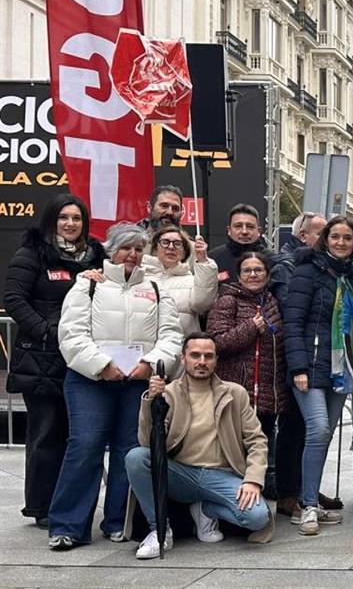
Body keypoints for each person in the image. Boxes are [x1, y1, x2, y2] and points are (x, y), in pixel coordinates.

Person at [49, 223, 184, 550]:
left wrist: (150, 363)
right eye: (125, 248)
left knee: (129, 452)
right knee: (85, 446)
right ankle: (67, 525)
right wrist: (101, 365)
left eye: (138, 249)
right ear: (111, 251)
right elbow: (71, 334)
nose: (132, 255)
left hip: (135, 381)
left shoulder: (155, 288)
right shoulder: (87, 286)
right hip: (90, 381)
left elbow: (171, 335)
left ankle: (117, 524)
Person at [3, 194, 106, 528]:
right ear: (51, 220)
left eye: (77, 218)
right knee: (46, 435)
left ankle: (71, 505)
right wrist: (48, 331)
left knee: (78, 437)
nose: (70, 224)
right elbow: (14, 300)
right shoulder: (31, 254)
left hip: (82, 359)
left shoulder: (96, 256)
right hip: (41, 358)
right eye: (64, 217)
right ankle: (41, 507)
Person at [125, 333, 272, 559]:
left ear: (216, 360)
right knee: (136, 457)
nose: (202, 361)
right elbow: (148, 444)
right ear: (183, 359)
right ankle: (159, 531)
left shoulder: (235, 393)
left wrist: (253, 479)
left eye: (208, 356)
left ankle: (205, 509)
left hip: (221, 475)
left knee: (257, 517)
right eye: (195, 355)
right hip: (181, 473)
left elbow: (257, 440)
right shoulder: (169, 393)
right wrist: (151, 402)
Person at [282, 215, 353, 536]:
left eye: (348, 238)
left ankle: (311, 502)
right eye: (335, 237)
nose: (341, 243)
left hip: (342, 366)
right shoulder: (307, 271)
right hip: (311, 365)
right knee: (317, 429)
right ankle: (306, 505)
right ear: (325, 239)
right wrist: (298, 368)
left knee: (327, 433)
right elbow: (293, 322)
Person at [207, 251, 289, 499]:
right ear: (238, 275)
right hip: (237, 393)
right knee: (235, 451)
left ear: (267, 274)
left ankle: (262, 495)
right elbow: (216, 343)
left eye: (258, 270)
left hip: (267, 393)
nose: (253, 275)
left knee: (264, 446)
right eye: (247, 270)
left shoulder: (273, 302)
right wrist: (250, 328)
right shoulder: (227, 300)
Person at [266, 210, 330, 518]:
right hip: (294, 355)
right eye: (321, 232)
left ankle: (308, 489)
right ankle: (289, 492)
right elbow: (293, 309)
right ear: (303, 235)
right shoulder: (289, 265)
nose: (328, 237)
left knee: (309, 428)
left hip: (315, 354)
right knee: (294, 426)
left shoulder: (321, 265)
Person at [141, 226, 219, 335]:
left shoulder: (191, 281)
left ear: (184, 253)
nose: (171, 247)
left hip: (181, 347)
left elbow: (203, 305)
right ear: (155, 249)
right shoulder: (140, 277)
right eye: (165, 242)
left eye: (177, 243)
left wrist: (203, 262)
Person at [270, 211, 326, 307]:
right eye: (322, 234)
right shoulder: (285, 267)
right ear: (303, 236)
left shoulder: (320, 262)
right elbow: (289, 306)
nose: (327, 240)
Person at [210, 204, 271, 282]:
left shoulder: (272, 260)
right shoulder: (213, 259)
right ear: (229, 230)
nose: (244, 231)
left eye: (250, 226)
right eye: (238, 226)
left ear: (259, 231)